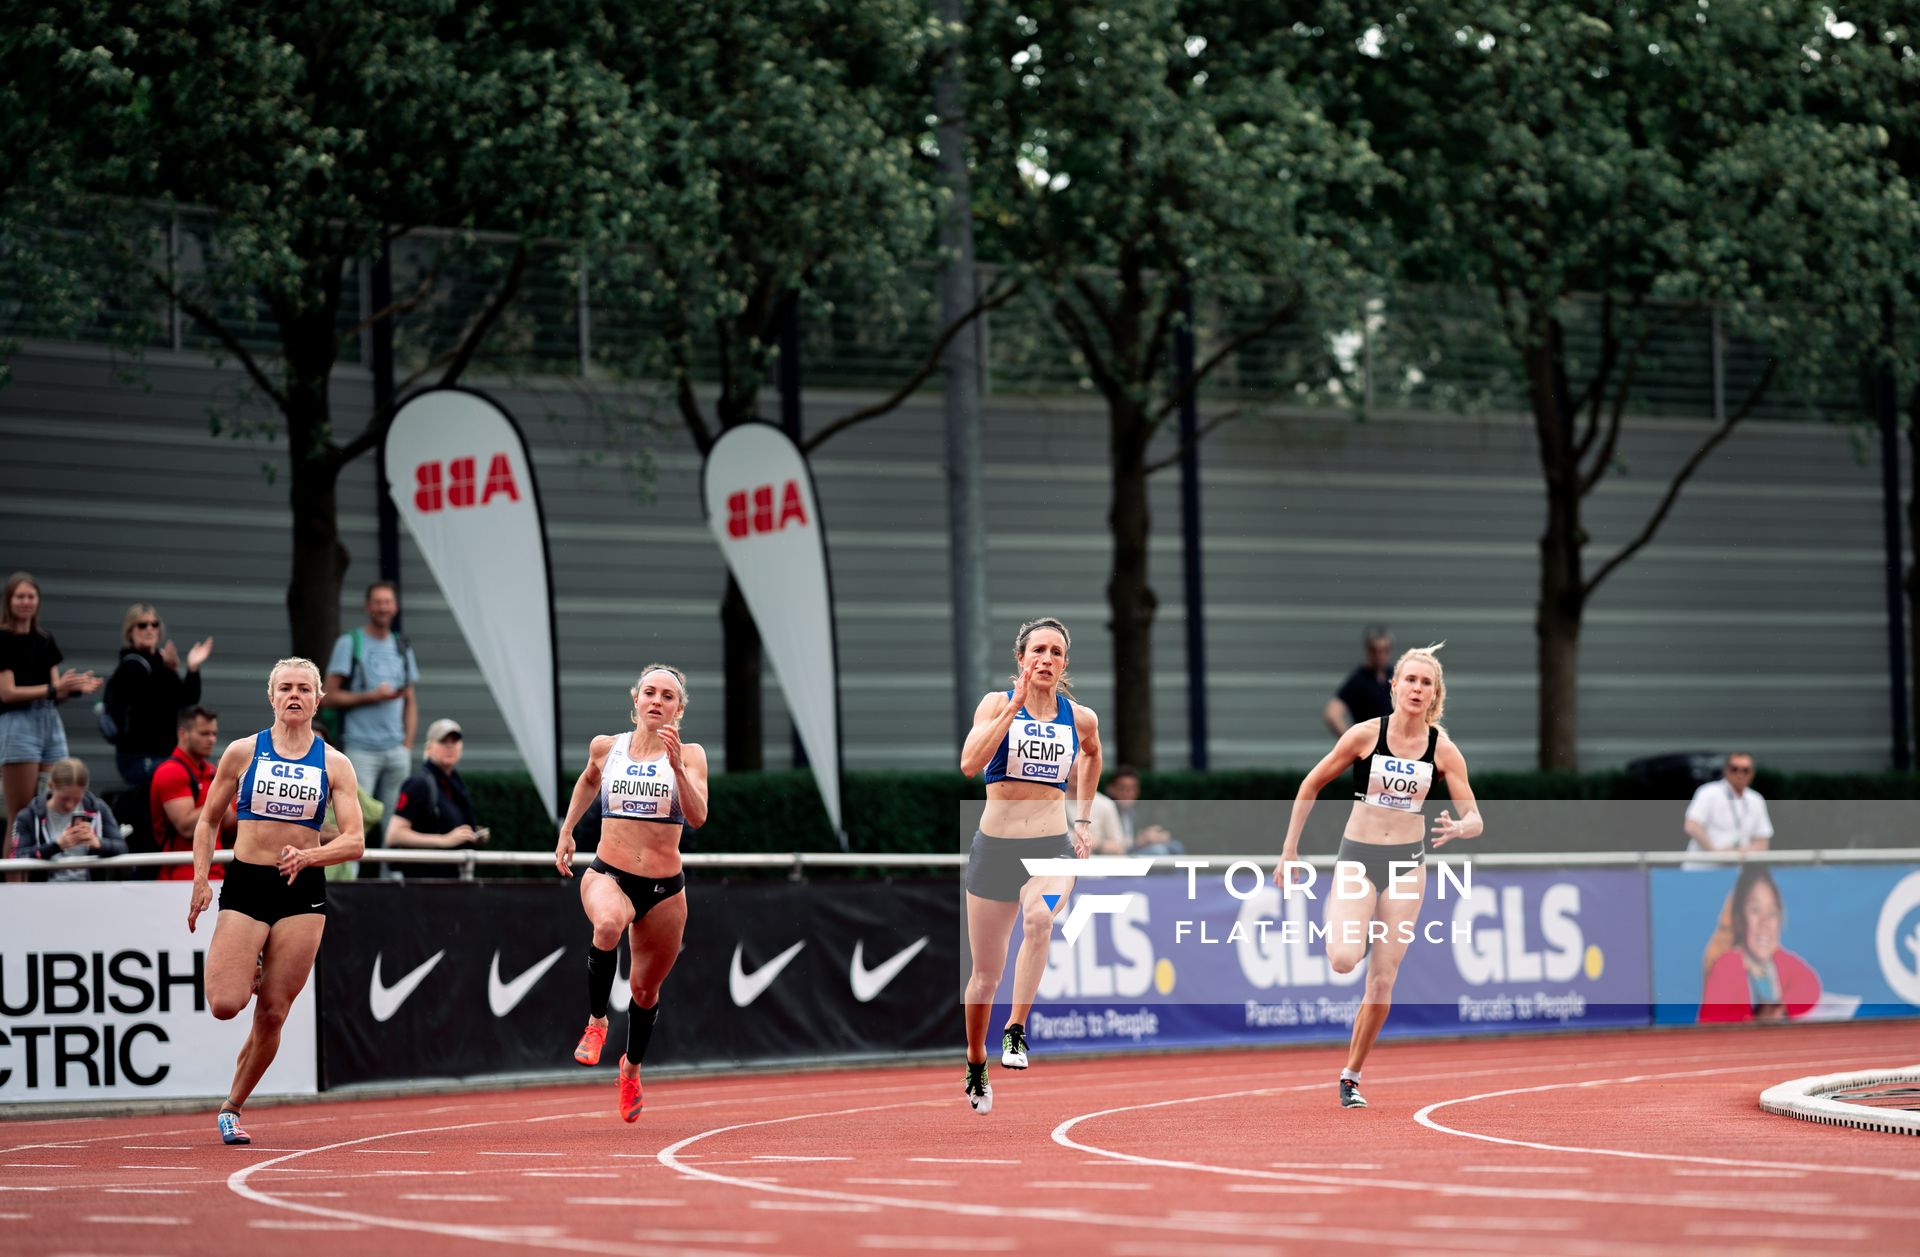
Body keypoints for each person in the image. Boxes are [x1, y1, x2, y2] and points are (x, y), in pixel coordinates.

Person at [1277, 642, 1481, 1109]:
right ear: (1394, 686)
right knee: (1345, 959)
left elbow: (1475, 816)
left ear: (1435, 695)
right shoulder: (1365, 736)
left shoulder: (1443, 750)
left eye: (1426, 683)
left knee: (1383, 983)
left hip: (1408, 866)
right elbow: (1310, 783)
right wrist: (1289, 850)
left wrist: (1463, 826)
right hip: (1357, 858)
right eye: (1410, 679)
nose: (1417, 688)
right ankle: (1357, 926)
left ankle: (1351, 1075)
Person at [186, 657, 364, 1146]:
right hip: (247, 884)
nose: (294, 696)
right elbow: (205, 823)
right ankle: (253, 963)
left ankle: (232, 1108)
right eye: (285, 687)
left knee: (272, 1014)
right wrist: (202, 880)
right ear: (271, 696)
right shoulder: (243, 753)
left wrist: (310, 857)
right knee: (226, 1003)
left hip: (300, 889)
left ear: (317, 698)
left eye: (304, 689)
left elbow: (354, 841)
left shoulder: (334, 763)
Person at [957, 617, 1103, 1114]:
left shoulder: (1079, 717)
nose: (1046, 659)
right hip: (994, 850)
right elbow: (968, 764)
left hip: (1051, 848)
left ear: (1065, 663)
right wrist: (1013, 709)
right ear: (1021, 658)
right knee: (984, 977)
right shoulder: (997, 704)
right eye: (1037, 650)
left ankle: (1016, 1029)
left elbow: (1093, 754)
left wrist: (1082, 820)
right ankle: (976, 1059)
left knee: (1040, 918)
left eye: (1056, 652)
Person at [553, 665, 709, 1122]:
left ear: (679, 709)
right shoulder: (607, 747)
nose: (657, 701)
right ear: (635, 700)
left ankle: (631, 1069)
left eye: (667, 696)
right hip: (609, 874)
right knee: (606, 923)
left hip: (664, 889)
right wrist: (567, 832)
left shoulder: (691, 754)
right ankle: (597, 1022)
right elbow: (587, 780)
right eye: (649, 693)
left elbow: (698, 817)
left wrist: (678, 767)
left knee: (644, 990)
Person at [0, 572, 101, 844]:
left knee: (52, 804)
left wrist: (75, 686)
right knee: (20, 814)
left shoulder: (44, 639)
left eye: (30, 596)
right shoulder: (4, 638)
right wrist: (55, 689)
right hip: (18, 724)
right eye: (20, 596)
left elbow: (56, 689)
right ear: (9, 601)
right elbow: (7, 692)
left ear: (38, 602)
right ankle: (13, 883)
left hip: (49, 721)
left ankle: (45, 878)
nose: (25, 602)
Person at [322, 582, 418, 852]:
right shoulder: (350, 642)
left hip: (396, 749)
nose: (383, 607)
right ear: (367, 606)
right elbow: (328, 695)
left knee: (395, 825)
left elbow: (410, 699)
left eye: (388, 601)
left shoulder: (402, 645)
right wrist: (370, 696)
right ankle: (347, 884)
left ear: (396, 606)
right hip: (359, 748)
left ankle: (394, 882)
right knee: (353, 821)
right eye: (377, 602)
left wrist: (407, 744)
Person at [104, 602, 212, 794]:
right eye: (142, 625)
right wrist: (168, 670)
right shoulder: (130, 667)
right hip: (140, 757)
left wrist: (192, 668)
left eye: (154, 624)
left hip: (164, 754)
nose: (150, 629)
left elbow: (186, 702)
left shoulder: (160, 666)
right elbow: (150, 705)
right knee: (185, 784)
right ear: (130, 631)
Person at [1699, 864, 1821, 1023]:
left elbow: (1810, 984)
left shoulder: (1780, 960)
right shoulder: (1726, 966)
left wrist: (1781, 1007)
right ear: (1738, 920)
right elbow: (1710, 1020)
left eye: (1772, 913)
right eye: (1755, 910)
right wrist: (1756, 1019)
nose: (1765, 922)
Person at [385, 718, 487, 878]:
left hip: (452, 878)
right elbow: (394, 835)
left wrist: (472, 835)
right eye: (443, 741)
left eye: (455, 741)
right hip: (424, 882)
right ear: (430, 747)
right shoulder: (419, 783)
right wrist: (444, 840)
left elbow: (449, 828)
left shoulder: (454, 784)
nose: (450, 746)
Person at [149, 705, 233, 881]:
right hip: (181, 877)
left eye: (214, 734)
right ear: (183, 734)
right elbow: (186, 826)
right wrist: (222, 799)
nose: (211, 740)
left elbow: (230, 824)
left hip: (216, 873)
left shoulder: (211, 771)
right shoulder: (170, 771)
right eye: (204, 734)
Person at [9, 758, 127, 881]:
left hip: (91, 891)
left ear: (84, 791)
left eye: (76, 799)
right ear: (51, 786)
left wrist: (98, 843)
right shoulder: (28, 815)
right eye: (64, 799)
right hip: (46, 892)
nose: (70, 805)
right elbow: (17, 857)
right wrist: (56, 846)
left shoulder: (98, 809)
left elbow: (122, 848)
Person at [1683, 752, 1773, 867]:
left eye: (1745, 770)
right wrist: (1715, 854)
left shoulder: (1756, 799)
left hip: (1736, 873)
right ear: (1726, 771)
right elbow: (1692, 826)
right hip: (1702, 868)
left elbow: (1762, 842)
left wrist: (1741, 853)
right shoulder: (1708, 792)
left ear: (1752, 773)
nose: (1740, 774)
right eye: (1735, 769)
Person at [1322, 625, 1393, 736]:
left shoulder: (1394, 675)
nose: (1380, 655)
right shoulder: (1359, 679)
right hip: (1370, 746)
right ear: (1368, 651)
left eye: (1385, 650)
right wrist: (1351, 742)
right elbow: (1332, 713)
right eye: (1375, 651)